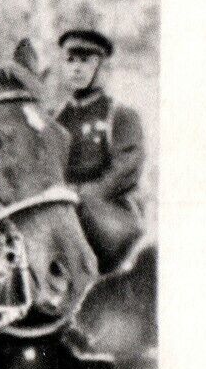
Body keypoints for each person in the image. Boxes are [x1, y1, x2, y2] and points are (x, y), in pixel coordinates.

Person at [56, 27, 146, 272]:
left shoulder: (119, 115)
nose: (76, 68)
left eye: (85, 60)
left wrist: (83, 195)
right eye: (70, 60)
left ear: (100, 66)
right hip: (66, 214)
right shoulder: (56, 120)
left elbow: (126, 169)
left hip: (111, 215)